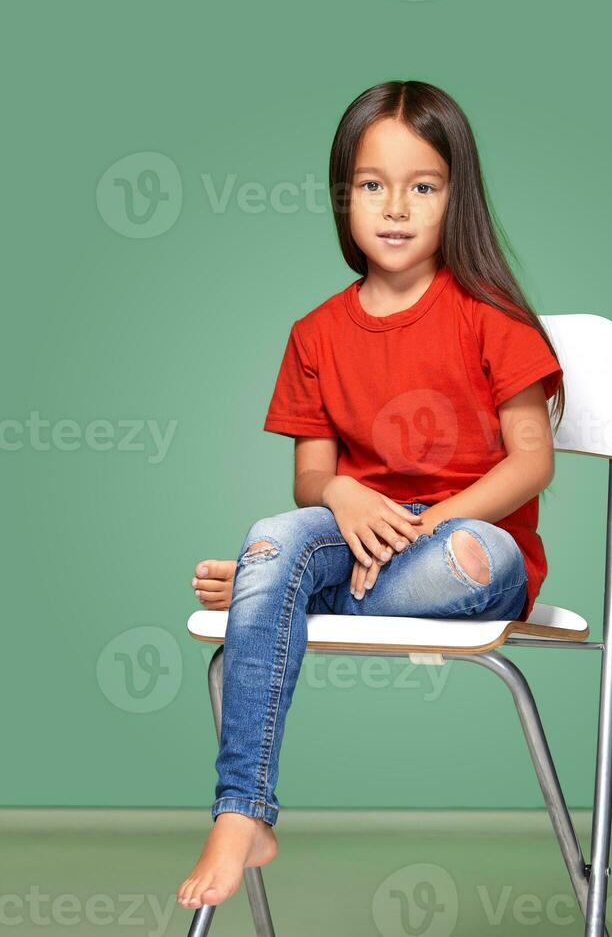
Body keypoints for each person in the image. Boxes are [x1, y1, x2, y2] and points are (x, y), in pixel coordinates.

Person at [176, 80, 564, 910]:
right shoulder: (315, 334)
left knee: (458, 554)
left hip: (468, 552)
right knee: (278, 532)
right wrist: (347, 497)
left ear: (456, 198)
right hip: (355, 537)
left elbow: (531, 464)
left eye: (423, 186)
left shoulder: (491, 316)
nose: (396, 207)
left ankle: (270, 594)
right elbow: (311, 482)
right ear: (342, 197)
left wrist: (428, 522)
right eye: (371, 185)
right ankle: (242, 810)